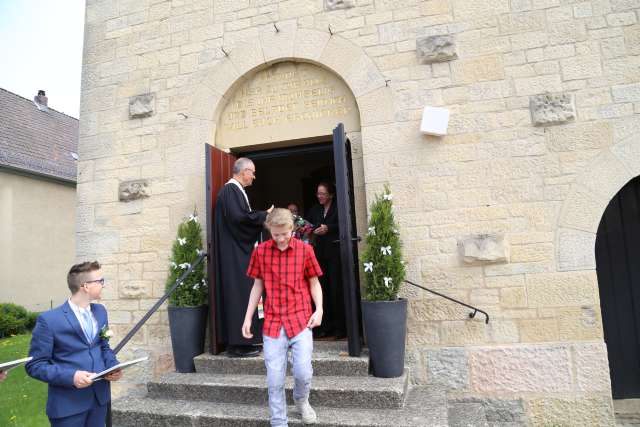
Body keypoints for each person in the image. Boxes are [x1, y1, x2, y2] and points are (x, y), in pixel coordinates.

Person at [242, 208, 324, 426]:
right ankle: (278, 421)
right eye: (275, 234)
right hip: (273, 322)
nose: (280, 239)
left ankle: (301, 400)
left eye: (284, 234)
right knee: (275, 379)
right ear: (269, 230)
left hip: (300, 319)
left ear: (292, 229)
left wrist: (320, 310)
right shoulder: (260, 252)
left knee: (303, 372)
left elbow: (314, 283)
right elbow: (257, 286)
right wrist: (248, 317)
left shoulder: (305, 250)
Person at [25, 261, 122, 427]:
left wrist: (113, 367)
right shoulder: (49, 320)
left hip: (99, 400)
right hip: (68, 407)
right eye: (100, 281)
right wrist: (71, 376)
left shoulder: (101, 312)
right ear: (85, 286)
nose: (103, 285)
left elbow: (104, 347)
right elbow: (35, 365)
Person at [214, 157, 273, 358]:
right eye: (253, 172)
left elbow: (242, 217)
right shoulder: (230, 191)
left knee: (246, 293)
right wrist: (263, 215)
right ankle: (239, 344)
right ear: (243, 171)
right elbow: (239, 219)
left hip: (238, 252)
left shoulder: (236, 191)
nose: (254, 177)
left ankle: (246, 340)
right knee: (241, 293)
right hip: (235, 255)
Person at [306, 182, 346, 339]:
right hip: (320, 255)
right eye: (318, 193)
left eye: (322, 193)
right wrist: (309, 228)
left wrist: (329, 228)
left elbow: (343, 224)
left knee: (336, 291)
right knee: (323, 291)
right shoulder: (315, 210)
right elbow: (308, 225)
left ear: (331, 194)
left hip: (335, 254)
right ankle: (324, 327)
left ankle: (340, 328)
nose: (319, 196)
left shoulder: (338, 207)